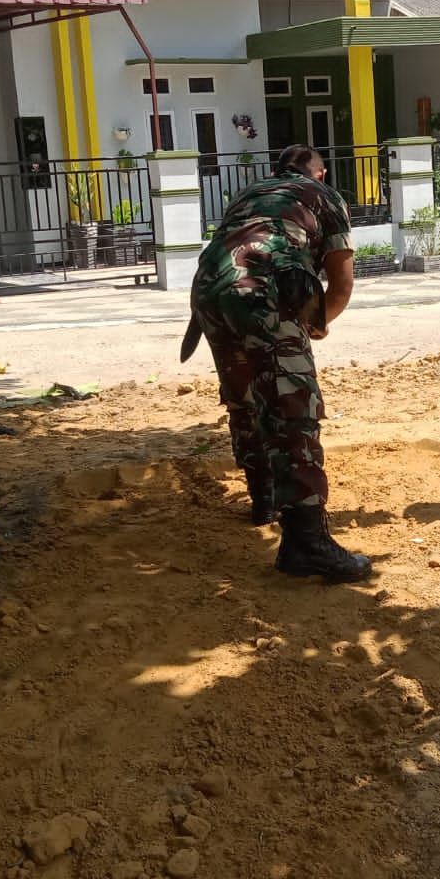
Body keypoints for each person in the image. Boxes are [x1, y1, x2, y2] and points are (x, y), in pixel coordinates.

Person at [186, 144, 371, 582]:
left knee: (245, 395)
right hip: (263, 288)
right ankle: (307, 542)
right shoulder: (323, 195)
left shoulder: (251, 193)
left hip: (208, 290)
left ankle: (264, 499)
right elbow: (341, 280)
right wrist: (317, 325)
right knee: (293, 409)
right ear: (319, 173)